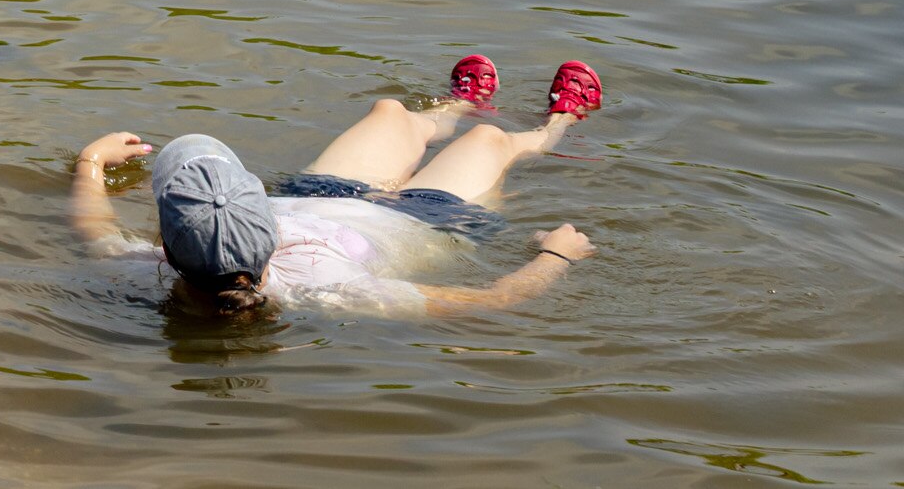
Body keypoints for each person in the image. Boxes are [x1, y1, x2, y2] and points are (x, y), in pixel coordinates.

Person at [67, 57, 604, 319]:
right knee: (492, 142)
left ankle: (456, 109)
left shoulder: (148, 261)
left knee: (390, 112)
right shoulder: (332, 293)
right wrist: (558, 255)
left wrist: (92, 161)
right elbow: (491, 298)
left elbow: (95, 227)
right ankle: (555, 126)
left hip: (320, 195)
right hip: (423, 218)